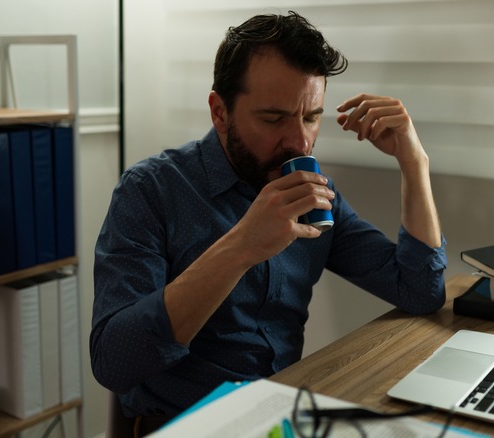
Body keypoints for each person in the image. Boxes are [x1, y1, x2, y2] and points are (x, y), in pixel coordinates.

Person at [91, 10, 446, 436]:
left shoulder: (313, 191)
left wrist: (414, 162)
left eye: (311, 116)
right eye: (274, 119)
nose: (298, 141)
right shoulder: (150, 191)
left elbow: (421, 291)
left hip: (280, 417)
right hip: (182, 425)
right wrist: (241, 246)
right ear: (219, 112)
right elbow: (114, 362)